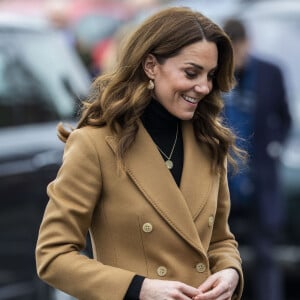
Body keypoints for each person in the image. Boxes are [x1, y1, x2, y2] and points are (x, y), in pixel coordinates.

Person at [35, 7, 245, 300]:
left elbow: (220, 240)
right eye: (191, 72)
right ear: (150, 66)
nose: (203, 87)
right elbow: (52, 257)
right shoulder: (94, 144)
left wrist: (230, 272)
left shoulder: (209, 141)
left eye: (210, 75)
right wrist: (138, 288)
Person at [222, 18, 291, 300]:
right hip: (224, 179)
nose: (236, 59)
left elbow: (284, 117)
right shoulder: (213, 74)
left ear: (247, 44)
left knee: (266, 254)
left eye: (239, 51)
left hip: (261, 176)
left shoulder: (270, 72)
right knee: (220, 253)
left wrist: (274, 145)